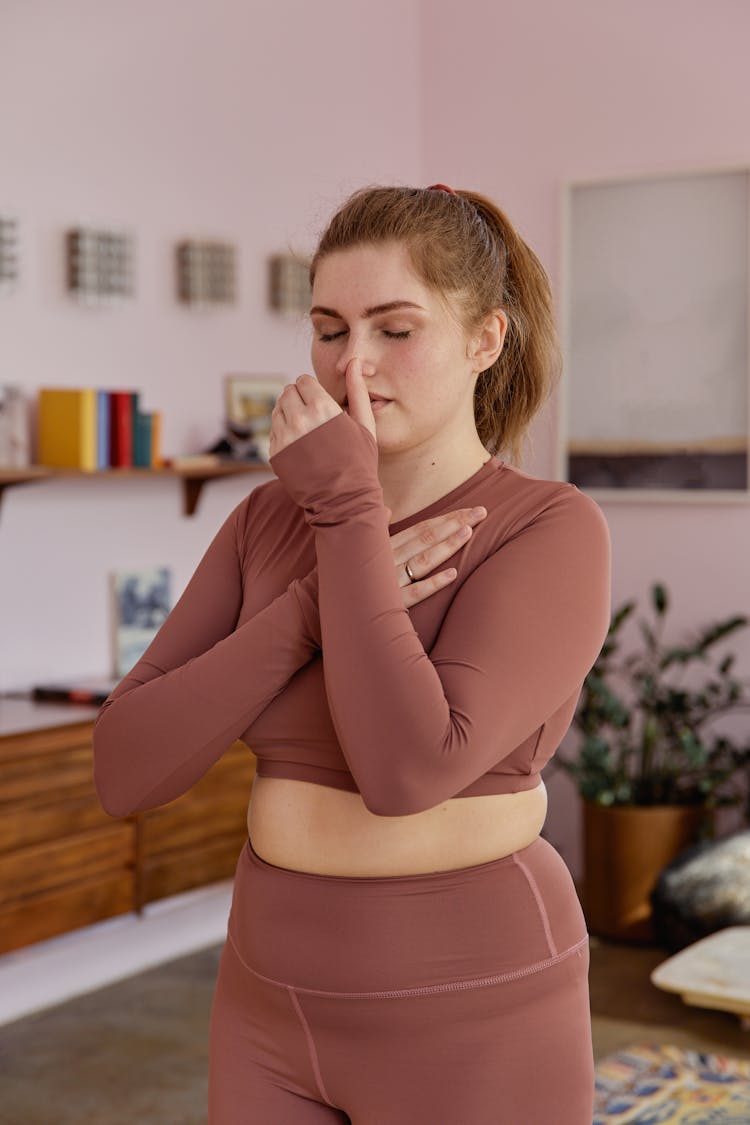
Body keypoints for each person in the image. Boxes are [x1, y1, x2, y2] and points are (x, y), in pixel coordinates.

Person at [92, 183, 611, 1124]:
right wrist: (304, 610)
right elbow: (125, 766)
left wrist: (344, 509)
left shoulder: (549, 527)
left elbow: (407, 769)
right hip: (268, 998)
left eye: (395, 329)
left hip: (476, 999)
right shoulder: (265, 522)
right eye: (330, 329)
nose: (353, 366)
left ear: (485, 340)